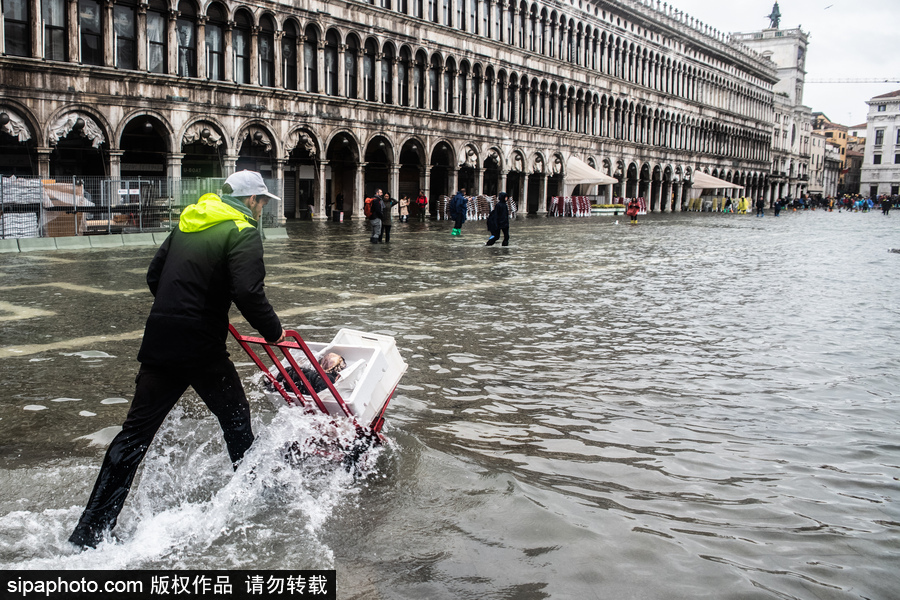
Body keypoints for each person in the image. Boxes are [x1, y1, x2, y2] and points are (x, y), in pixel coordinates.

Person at [68, 170, 285, 549]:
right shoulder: (242, 229)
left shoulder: (189, 221)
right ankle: (254, 497)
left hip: (161, 338)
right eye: (262, 201)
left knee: (134, 434)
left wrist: (181, 306)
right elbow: (248, 292)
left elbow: (155, 276)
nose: (263, 208)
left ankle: (90, 531)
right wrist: (275, 333)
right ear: (251, 200)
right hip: (200, 345)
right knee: (235, 419)